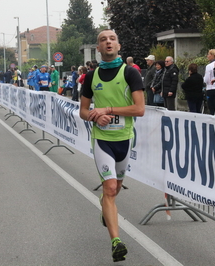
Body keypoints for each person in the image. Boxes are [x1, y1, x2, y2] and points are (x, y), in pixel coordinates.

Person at [79, 29, 145, 262]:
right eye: (103, 40)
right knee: (108, 189)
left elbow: (139, 109)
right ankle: (116, 241)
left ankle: (105, 206)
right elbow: (83, 111)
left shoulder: (130, 73)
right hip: (102, 141)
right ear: (98, 48)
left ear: (118, 45)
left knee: (115, 189)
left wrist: (107, 110)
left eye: (112, 39)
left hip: (125, 140)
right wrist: (95, 116)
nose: (108, 42)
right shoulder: (90, 76)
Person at [204, 49, 215, 115]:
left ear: (212, 55)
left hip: (211, 88)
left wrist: (203, 79)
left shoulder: (209, 66)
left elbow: (206, 79)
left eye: (208, 54)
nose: (207, 56)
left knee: (212, 109)